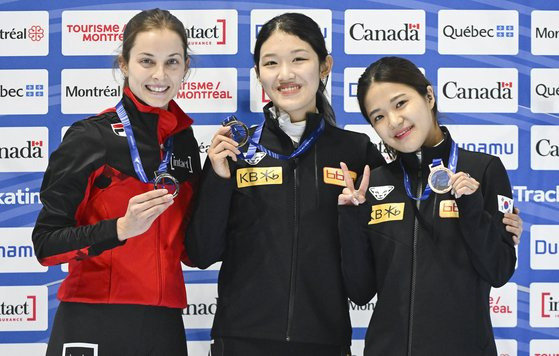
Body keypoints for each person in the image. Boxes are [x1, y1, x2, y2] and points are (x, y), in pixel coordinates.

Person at [186, 12, 385, 356]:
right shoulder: (236, 149)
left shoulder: (356, 152)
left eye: (299, 59)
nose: (285, 74)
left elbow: (364, 285)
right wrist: (219, 180)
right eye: (271, 63)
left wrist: (352, 217)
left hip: (324, 342)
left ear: (325, 66)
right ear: (258, 75)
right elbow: (201, 254)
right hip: (240, 341)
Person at [32, 9, 200, 356]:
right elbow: (46, 245)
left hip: (164, 323)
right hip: (93, 317)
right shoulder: (89, 137)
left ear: (185, 66)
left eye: (172, 62)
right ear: (124, 64)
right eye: (146, 61)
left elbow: (191, 248)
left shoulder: (183, 142)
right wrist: (121, 228)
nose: (160, 74)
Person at [337, 56, 519, 356]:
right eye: (378, 117)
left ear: (429, 96)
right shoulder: (375, 182)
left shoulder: (484, 169)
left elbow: (499, 270)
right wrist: (351, 217)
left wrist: (471, 207)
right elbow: (360, 292)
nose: (394, 122)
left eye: (400, 104)